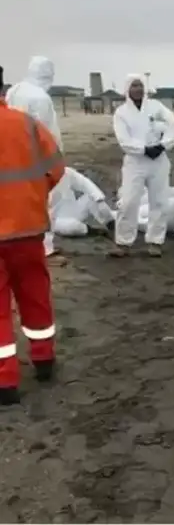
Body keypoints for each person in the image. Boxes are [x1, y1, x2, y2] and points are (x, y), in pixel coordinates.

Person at [0, 73, 67, 406]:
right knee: (35, 295)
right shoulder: (26, 125)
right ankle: (43, 359)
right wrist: (32, 198)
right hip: (27, 231)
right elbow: (56, 168)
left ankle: (4, 381)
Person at [110, 73, 174, 257]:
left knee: (158, 201)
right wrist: (143, 149)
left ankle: (155, 241)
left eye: (140, 85)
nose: (137, 89)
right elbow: (123, 140)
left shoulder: (156, 107)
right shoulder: (121, 113)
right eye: (133, 86)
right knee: (128, 201)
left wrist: (163, 145)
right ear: (127, 89)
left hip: (158, 161)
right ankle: (123, 242)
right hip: (135, 162)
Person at [4, 56, 67, 262]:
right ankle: (46, 245)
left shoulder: (15, 89)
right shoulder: (41, 97)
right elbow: (45, 132)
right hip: (36, 159)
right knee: (45, 203)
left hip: (10, 154)